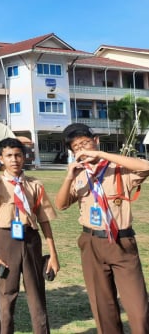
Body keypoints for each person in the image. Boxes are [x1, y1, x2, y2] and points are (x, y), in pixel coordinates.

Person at [55, 123, 149, 333]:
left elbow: (146, 166)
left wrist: (102, 154)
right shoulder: (79, 175)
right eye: (76, 147)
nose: (82, 149)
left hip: (121, 242)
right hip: (91, 243)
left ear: (95, 141)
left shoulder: (118, 168)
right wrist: (69, 176)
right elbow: (61, 204)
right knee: (103, 308)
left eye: (85, 143)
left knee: (139, 310)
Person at [0, 137, 59, 334]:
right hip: (5, 241)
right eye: (9, 156)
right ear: (1, 159)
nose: (14, 160)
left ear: (24, 158)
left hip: (31, 239)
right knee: (6, 295)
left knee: (36, 294)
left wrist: (53, 254)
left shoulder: (34, 185)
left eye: (18, 155)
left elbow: (44, 220)